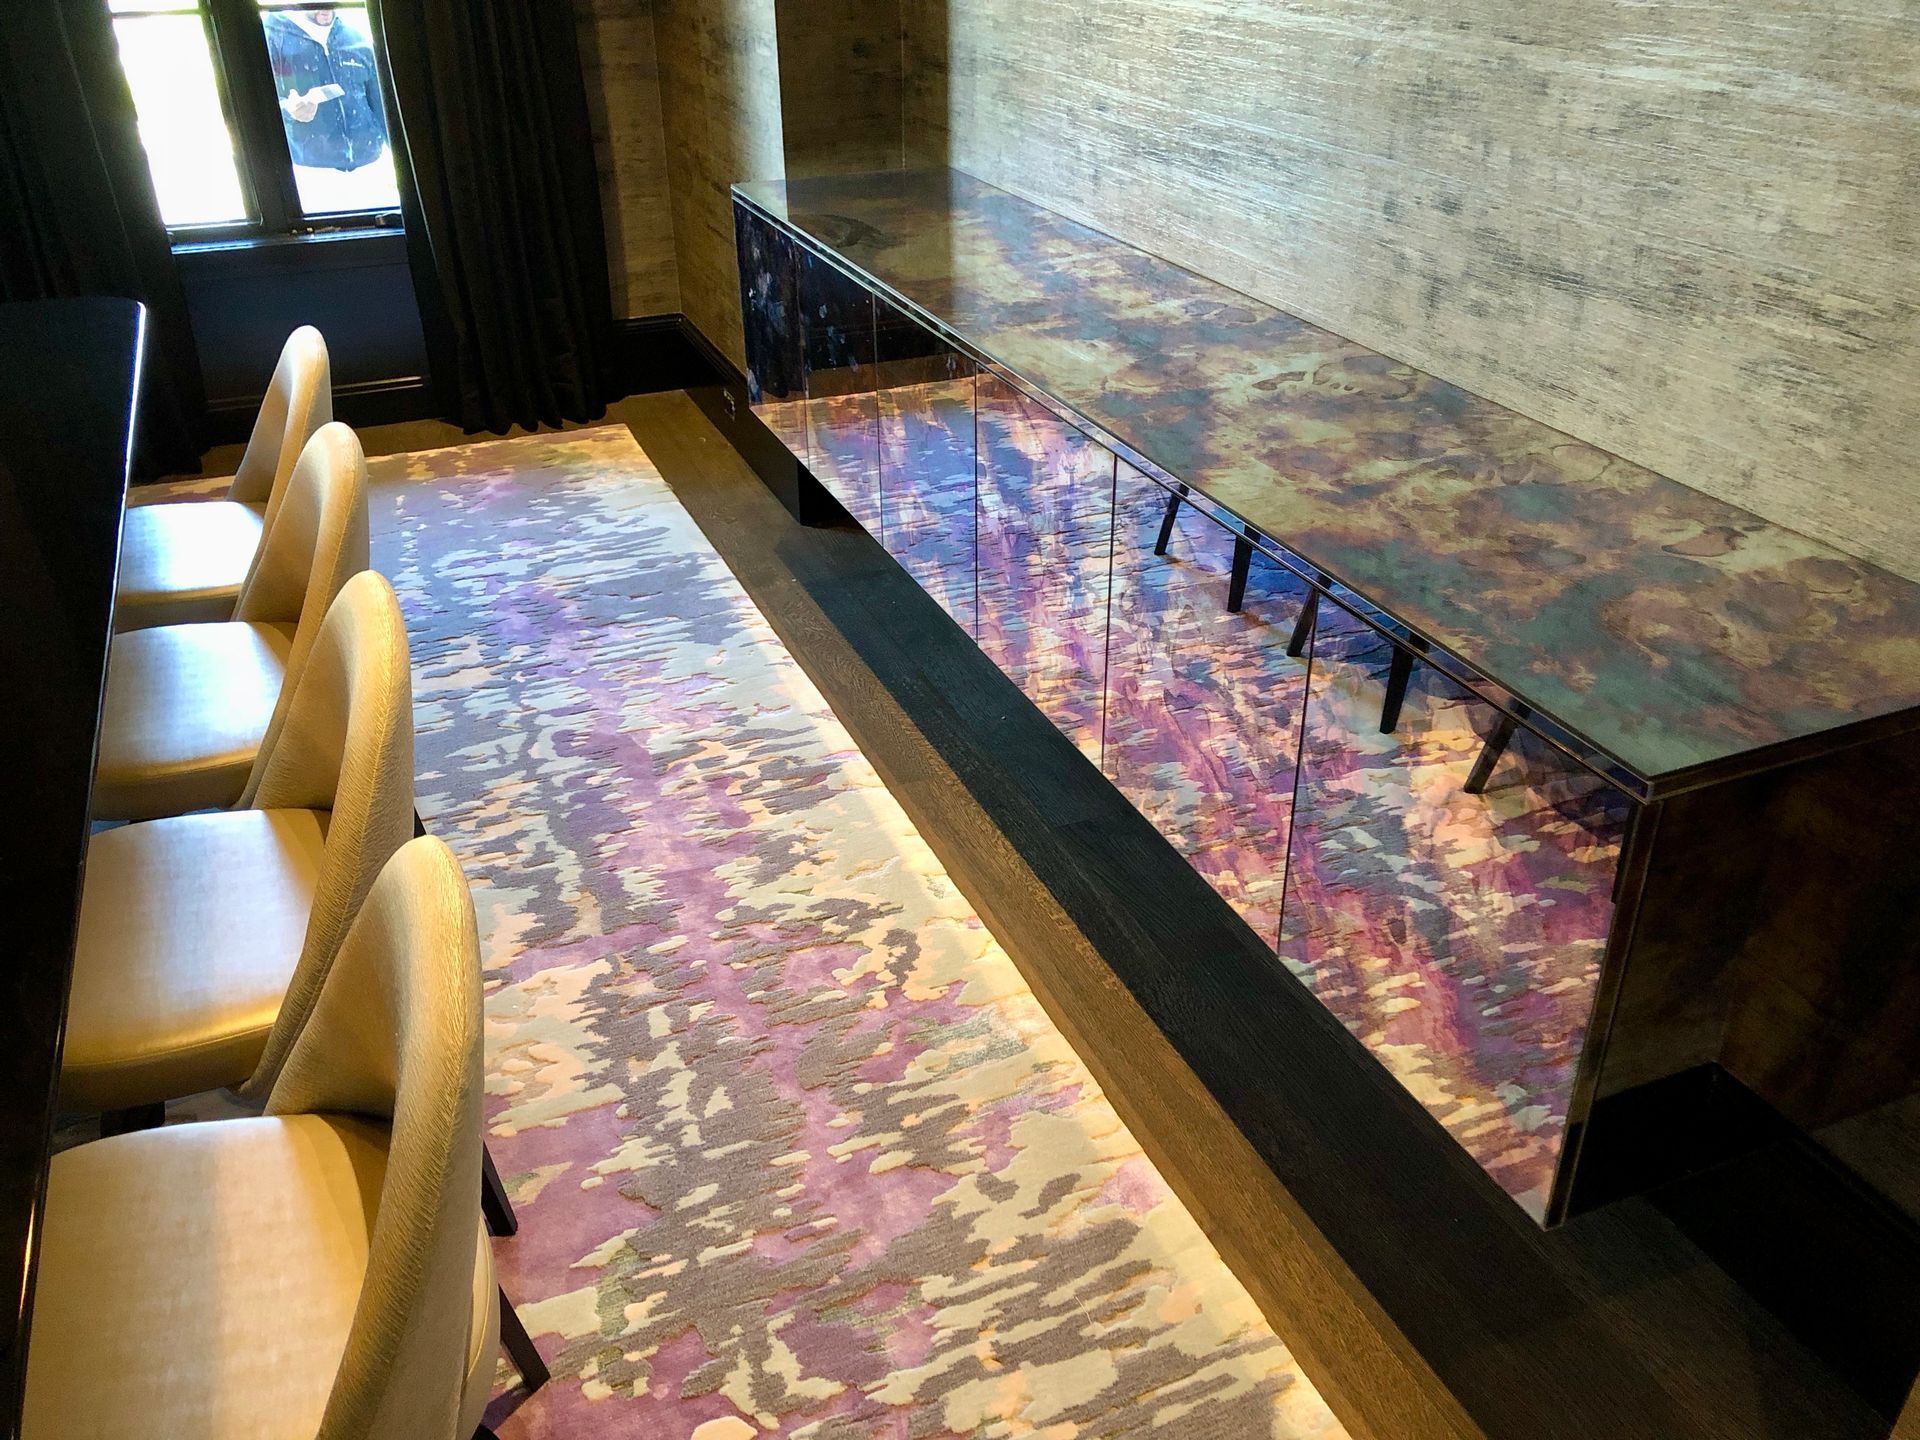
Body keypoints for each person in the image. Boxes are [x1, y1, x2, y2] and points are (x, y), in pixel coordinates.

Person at [265, 8, 389, 175]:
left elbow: (381, 102)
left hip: (373, 165)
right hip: (309, 172)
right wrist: (289, 110)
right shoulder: (271, 37)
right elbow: (256, 105)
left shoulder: (356, 38)